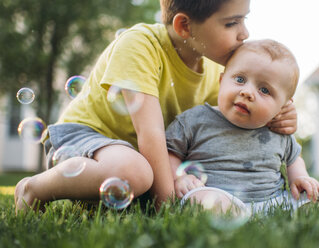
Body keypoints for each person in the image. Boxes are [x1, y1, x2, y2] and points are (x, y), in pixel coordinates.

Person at [15, 0, 297, 213]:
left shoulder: (215, 72)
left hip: (128, 158)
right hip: (80, 140)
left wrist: (281, 115)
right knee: (136, 173)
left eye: (244, 20)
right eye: (231, 23)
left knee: (138, 173)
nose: (244, 34)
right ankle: (32, 187)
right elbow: (151, 136)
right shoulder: (140, 45)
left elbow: (229, 125)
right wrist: (168, 208)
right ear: (184, 26)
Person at [166, 39, 319, 215]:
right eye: (240, 79)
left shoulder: (278, 131)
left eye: (264, 90)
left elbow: (293, 159)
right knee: (203, 200)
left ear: (282, 106)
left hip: (272, 202)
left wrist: (301, 178)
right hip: (218, 196)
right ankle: (229, 213)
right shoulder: (195, 120)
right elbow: (170, 152)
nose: (247, 92)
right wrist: (180, 177)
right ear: (222, 80)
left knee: (312, 200)